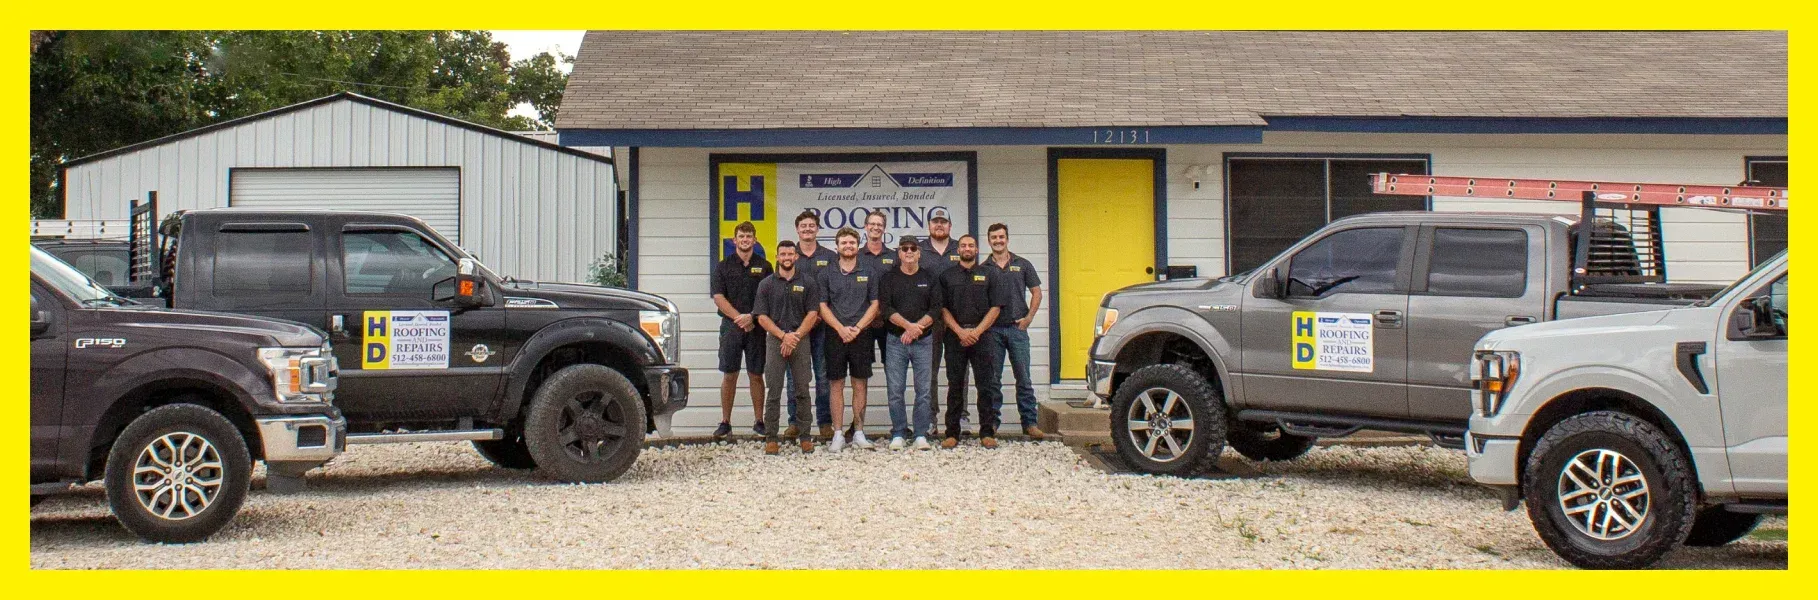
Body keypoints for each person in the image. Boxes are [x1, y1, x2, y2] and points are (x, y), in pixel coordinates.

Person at [934, 234, 1008, 449]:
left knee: (985, 385)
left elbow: (995, 307)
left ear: (977, 250)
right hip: (955, 336)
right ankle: (952, 433)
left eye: (971, 246)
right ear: (958, 250)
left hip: (982, 336)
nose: (967, 248)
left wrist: (976, 331)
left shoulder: (989, 274)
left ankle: (986, 432)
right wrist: (960, 332)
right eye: (963, 245)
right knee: (955, 385)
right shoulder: (946, 276)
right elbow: (942, 308)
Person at [752, 240, 819, 455]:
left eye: (791, 254)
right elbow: (761, 316)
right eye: (783, 254)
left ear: (796, 256)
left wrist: (796, 336)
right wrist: (783, 337)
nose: (787, 257)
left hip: (801, 340)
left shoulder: (808, 282)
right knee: (774, 390)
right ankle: (771, 437)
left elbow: (813, 313)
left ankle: (805, 436)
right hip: (775, 341)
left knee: (802, 389)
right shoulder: (766, 284)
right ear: (777, 257)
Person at [816, 227, 880, 452]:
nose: (848, 246)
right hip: (835, 335)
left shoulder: (869, 271)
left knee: (860, 383)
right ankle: (837, 434)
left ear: (857, 245)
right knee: (836, 384)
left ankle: (859, 432)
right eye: (844, 243)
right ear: (837, 246)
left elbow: (875, 304)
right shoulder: (826, 273)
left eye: (852, 243)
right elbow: (822, 305)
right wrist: (840, 328)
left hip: (861, 336)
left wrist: (858, 328)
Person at [709, 221, 772, 439]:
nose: (745, 240)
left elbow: (768, 298)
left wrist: (752, 317)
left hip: (756, 327)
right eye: (741, 236)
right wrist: (738, 318)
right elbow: (718, 297)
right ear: (734, 240)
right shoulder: (723, 266)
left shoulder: (764, 266)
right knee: (730, 374)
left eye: (749, 236)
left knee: (756, 374)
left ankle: (759, 421)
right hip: (731, 327)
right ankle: (725, 422)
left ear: (755, 240)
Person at [878, 235, 940, 451]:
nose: (909, 252)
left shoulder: (929, 277)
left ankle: (921, 433)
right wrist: (907, 327)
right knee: (896, 389)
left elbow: (935, 309)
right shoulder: (889, 278)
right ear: (899, 253)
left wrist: (916, 330)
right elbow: (885, 309)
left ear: (919, 252)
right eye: (904, 248)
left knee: (923, 390)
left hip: (924, 341)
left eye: (913, 248)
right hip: (896, 342)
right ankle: (899, 432)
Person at [986, 223, 1046, 440]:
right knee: (993, 379)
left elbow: (1037, 293)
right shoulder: (985, 268)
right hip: (993, 331)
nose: (998, 241)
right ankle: (991, 423)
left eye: (1001, 237)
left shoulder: (1022, 264)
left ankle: (1029, 423)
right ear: (989, 240)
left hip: (1017, 330)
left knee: (1024, 378)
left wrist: (1028, 318)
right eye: (994, 237)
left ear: (1007, 239)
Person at [786, 210, 835, 440]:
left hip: (823, 326)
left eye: (811, 226)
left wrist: (819, 316)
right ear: (797, 229)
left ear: (817, 229)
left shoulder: (829, 256)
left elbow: (834, 290)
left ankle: (825, 423)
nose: (807, 229)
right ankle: (795, 422)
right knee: (795, 377)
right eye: (803, 226)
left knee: (823, 376)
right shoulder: (789, 255)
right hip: (796, 328)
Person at [917, 207, 963, 436]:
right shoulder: (920, 250)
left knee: (958, 371)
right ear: (929, 226)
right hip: (929, 320)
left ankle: (960, 416)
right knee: (929, 371)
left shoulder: (960, 248)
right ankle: (930, 418)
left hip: (957, 320)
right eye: (935, 222)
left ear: (950, 226)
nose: (939, 225)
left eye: (943, 222)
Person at [857, 209, 898, 371]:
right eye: (872, 224)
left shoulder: (894, 257)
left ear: (884, 228)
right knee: (862, 371)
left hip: (889, 321)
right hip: (862, 321)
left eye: (879, 224)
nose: (876, 227)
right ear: (865, 227)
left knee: (893, 369)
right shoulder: (856, 256)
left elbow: (897, 288)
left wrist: (883, 313)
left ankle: (894, 398)